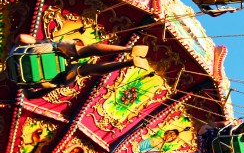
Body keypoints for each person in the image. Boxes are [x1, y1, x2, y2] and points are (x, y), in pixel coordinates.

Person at [8, 34, 149, 97]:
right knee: (83, 51)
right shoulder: (12, 52)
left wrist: (52, 88)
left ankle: (129, 62)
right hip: (48, 52)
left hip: (55, 75)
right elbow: (21, 38)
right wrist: (41, 41)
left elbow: (31, 96)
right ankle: (129, 49)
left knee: (85, 70)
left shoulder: (19, 82)